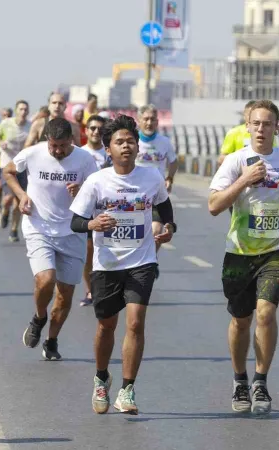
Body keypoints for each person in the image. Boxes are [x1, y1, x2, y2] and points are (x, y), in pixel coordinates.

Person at [69, 114, 176, 415]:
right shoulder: (97, 182)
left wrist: (169, 227)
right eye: (119, 142)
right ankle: (102, 377)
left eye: (131, 140)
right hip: (106, 264)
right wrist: (94, 223)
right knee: (106, 325)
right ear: (109, 149)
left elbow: (165, 207)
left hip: (142, 261)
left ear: (138, 146)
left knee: (135, 322)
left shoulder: (151, 177)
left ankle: (127, 389)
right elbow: (76, 221)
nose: (126, 146)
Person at [208, 100, 279, 415]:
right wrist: (243, 180)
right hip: (239, 253)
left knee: (265, 313)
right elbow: (213, 205)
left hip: (277, 249)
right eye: (256, 123)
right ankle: (240, 381)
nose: (262, 129)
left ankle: (261, 382)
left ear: (277, 128)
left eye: (268, 124)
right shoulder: (236, 161)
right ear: (246, 127)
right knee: (241, 320)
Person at [3, 118, 97, 360]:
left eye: (62, 146)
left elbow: (99, 190)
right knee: (46, 280)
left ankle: (52, 340)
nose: (57, 151)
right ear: (47, 140)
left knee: (65, 295)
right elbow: (8, 171)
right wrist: (21, 194)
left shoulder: (85, 160)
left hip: (72, 232)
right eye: (53, 146)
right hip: (39, 228)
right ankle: (39, 317)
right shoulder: (32, 154)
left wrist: (83, 190)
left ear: (71, 141)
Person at [136, 105, 178, 277]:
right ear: (139, 121)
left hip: (157, 194)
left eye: (153, 119)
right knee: (137, 232)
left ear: (157, 121)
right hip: (137, 195)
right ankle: (137, 261)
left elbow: (173, 161)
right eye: (145, 119)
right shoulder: (132, 142)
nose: (149, 122)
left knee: (156, 230)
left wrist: (170, 178)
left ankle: (150, 260)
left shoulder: (164, 142)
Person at [78, 114, 110, 307]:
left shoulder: (110, 153)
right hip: (88, 210)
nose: (96, 132)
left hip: (110, 210)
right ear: (86, 131)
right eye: (92, 128)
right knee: (89, 252)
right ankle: (90, 291)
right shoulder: (78, 154)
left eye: (100, 129)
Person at [0, 100, 32, 241]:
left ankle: (13, 230)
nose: (23, 112)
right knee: (8, 199)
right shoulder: (6, 123)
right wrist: (1, 143)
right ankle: (5, 212)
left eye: (25, 109)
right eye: (21, 109)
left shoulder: (30, 126)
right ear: (16, 111)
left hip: (23, 166)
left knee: (20, 200)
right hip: (7, 164)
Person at [217, 100, 256, 165]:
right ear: (244, 116)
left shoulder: (267, 133)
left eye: (254, 114)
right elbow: (221, 159)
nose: (251, 117)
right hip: (239, 173)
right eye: (249, 114)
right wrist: (242, 162)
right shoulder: (233, 132)